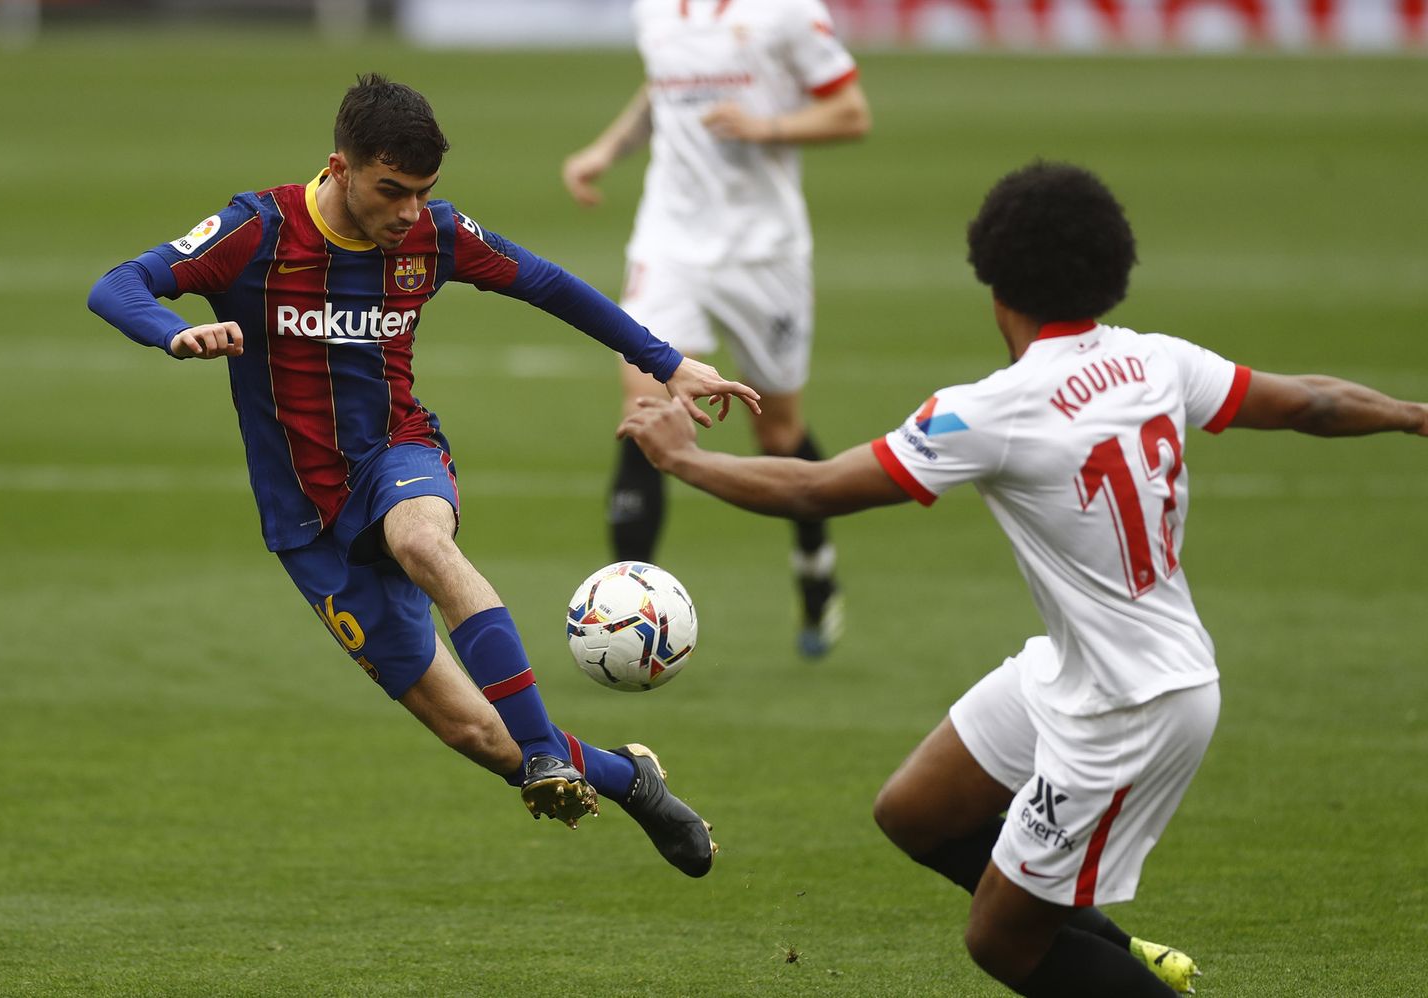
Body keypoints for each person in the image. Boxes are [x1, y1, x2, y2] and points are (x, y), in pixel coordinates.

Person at [619, 161, 1428, 990]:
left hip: (1131, 705)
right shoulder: (1156, 360)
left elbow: (818, 488)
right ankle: (1108, 946)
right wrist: (1412, 414)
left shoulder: (993, 409)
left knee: (1000, 945)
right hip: (1079, 666)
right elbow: (1311, 403)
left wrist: (685, 459)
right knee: (916, 812)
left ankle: (1107, 964)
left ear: (993, 280)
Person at [87, 73, 762, 879]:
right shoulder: (258, 230)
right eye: (391, 190)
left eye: (423, 192)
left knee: (422, 542)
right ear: (338, 169)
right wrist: (173, 334)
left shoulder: (432, 236)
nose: (408, 211)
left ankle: (547, 754)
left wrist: (668, 362)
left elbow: (546, 282)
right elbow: (117, 284)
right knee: (477, 734)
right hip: (306, 521)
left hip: (396, 454)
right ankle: (628, 778)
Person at [562, 0, 872, 657]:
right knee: (645, 402)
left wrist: (766, 127)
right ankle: (625, 615)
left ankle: (816, 572)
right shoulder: (655, 11)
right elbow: (664, 85)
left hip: (765, 252)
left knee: (778, 429)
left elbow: (852, 112)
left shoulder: (786, 12)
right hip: (669, 240)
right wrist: (607, 149)